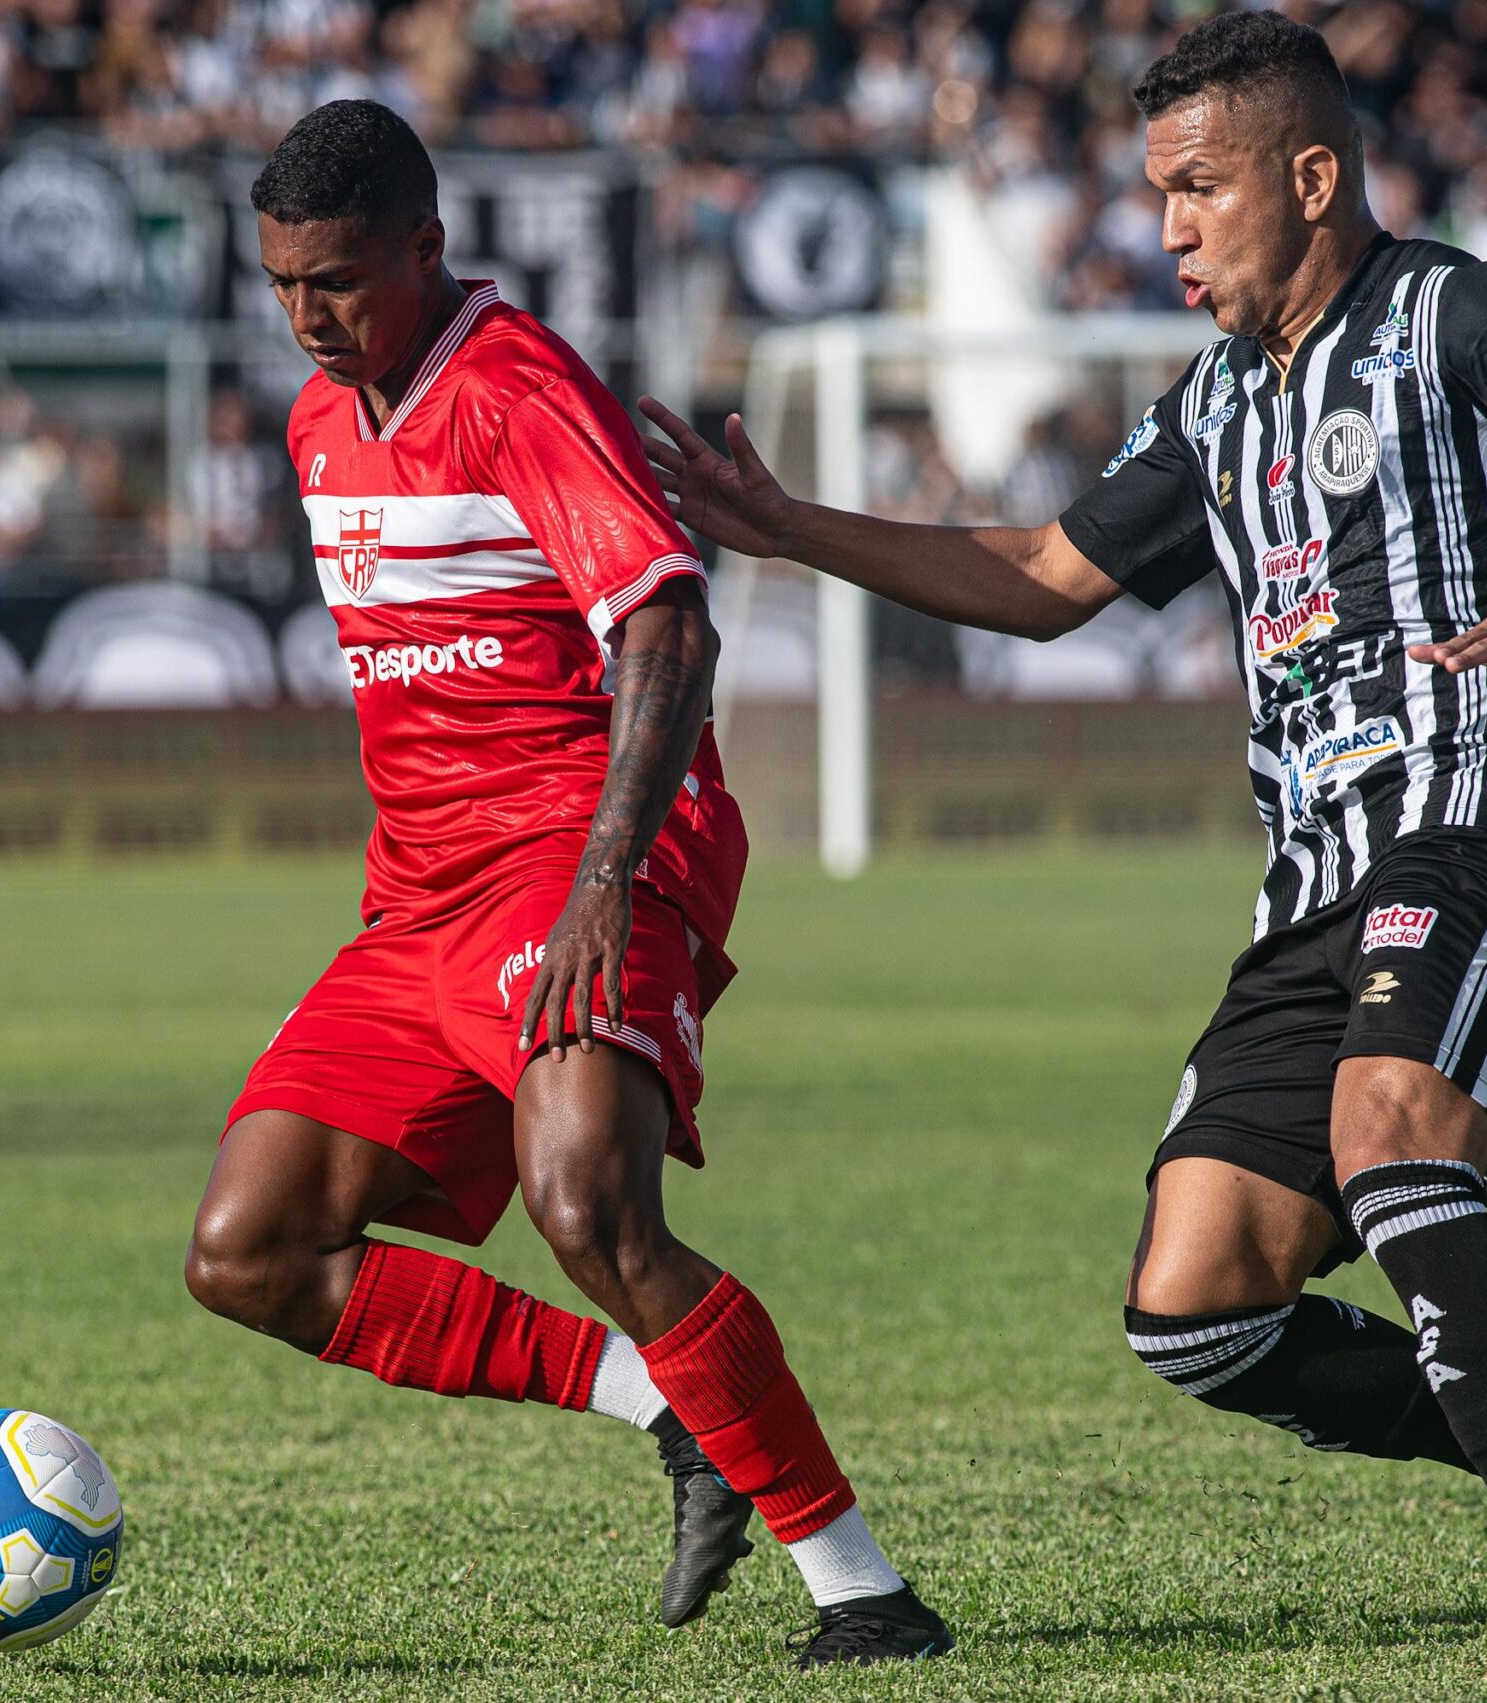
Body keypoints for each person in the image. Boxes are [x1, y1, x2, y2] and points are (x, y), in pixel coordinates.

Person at [641, 13, 1487, 1681]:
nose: (1167, 227)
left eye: (1198, 187)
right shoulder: (1216, 405)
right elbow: (1046, 576)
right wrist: (790, 528)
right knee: (1201, 1302)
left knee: (1390, 1133)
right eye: (1156, 192)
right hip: (1317, 879)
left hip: (1485, 804)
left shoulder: (1457, 313)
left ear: (1312, 178)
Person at [178, 101, 952, 1669]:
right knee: (248, 1250)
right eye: (280, 286)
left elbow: (669, 632)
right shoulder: (321, 423)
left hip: (584, 839)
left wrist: (603, 880)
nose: (307, 318)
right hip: (420, 899)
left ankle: (863, 1590)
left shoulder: (520, 387)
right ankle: (658, 1393)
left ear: (427, 245)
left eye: (335, 281)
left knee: (589, 1191)